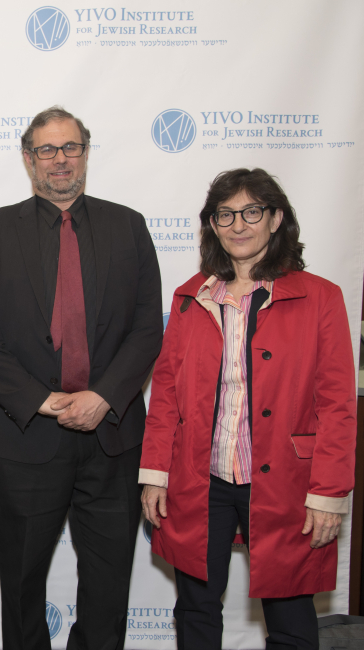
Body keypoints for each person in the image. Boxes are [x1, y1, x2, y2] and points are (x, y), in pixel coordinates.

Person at [0, 106, 163, 650]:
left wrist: (105, 396)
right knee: (21, 584)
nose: (60, 159)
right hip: (23, 436)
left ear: (86, 152)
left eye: (71, 147)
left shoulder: (129, 226)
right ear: (28, 159)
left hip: (112, 436)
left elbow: (148, 327)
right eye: (47, 149)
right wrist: (43, 401)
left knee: (108, 584)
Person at [140, 168, 356, 648]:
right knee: (195, 607)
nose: (238, 225)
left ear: (275, 219)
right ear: (213, 225)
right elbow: (167, 393)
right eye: (225, 214)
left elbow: (337, 406)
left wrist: (328, 494)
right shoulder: (191, 298)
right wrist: (155, 474)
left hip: (286, 481)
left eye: (251, 212)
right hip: (203, 478)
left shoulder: (321, 298)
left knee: (290, 615)